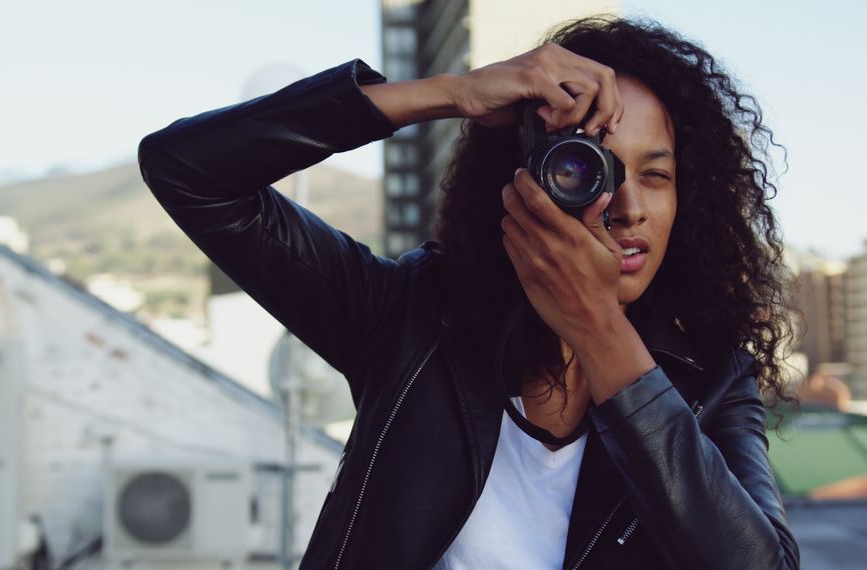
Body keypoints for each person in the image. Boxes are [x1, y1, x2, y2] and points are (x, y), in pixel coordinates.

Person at [138, 15, 800, 570]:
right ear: (525, 182)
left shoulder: (712, 378)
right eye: (589, 166)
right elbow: (188, 171)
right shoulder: (410, 318)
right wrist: (451, 93)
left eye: (657, 177)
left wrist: (601, 332)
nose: (629, 206)